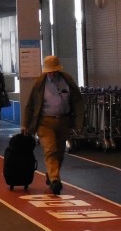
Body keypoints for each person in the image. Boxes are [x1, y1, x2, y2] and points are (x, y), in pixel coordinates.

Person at [22, 55, 84, 195]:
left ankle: (51, 174)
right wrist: (25, 124)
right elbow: (30, 105)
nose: (51, 74)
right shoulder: (39, 83)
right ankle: (55, 180)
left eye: (53, 71)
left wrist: (79, 123)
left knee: (60, 152)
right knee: (50, 150)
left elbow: (78, 101)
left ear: (58, 69)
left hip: (64, 121)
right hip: (44, 122)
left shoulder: (67, 81)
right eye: (49, 71)